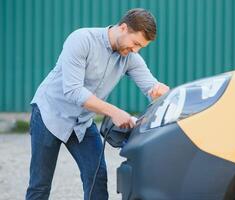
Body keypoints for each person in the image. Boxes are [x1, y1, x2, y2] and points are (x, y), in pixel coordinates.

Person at [26, 8, 169, 200]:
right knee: (40, 186)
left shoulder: (130, 57)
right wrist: (114, 112)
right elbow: (73, 90)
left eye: (140, 47)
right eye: (135, 43)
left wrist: (160, 91)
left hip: (82, 123)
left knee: (97, 180)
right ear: (124, 28)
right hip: (49, 114)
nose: (136, 50)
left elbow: (151, 87)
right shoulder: (82, 39)